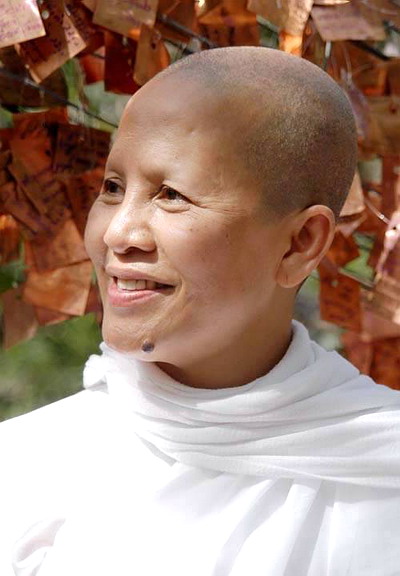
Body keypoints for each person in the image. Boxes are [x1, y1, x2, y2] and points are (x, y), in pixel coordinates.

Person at [1, 47, 400, 576]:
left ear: (300, 243)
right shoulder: (26, 468)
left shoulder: (381, 477)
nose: (117, 232)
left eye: (171, 195)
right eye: (113, 188)